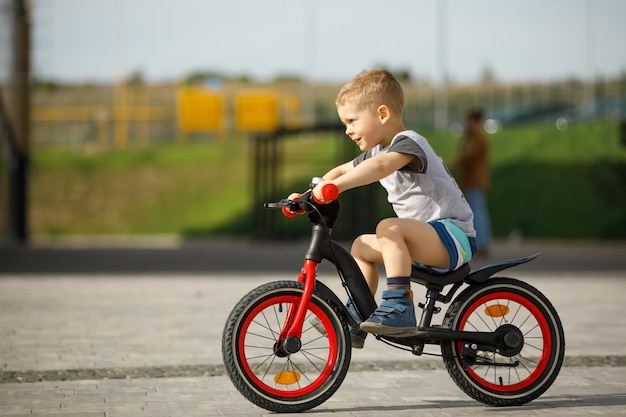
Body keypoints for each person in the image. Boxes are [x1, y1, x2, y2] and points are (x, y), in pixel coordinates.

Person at [292, 69, 476, 348]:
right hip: (425, 239)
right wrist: (310, 193)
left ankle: (400, 307)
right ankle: (357, 316)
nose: (347, 130)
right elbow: (342, 169)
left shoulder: (409, 143)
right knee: (362, 246)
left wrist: (337, 188)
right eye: (345, 123)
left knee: (387, 227)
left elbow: (378, 168)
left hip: (453, 236)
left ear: (382, 114)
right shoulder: (378, 150)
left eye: (352, 120)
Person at [451, 108, 492, 256]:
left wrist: (451, 165)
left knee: (477, 212)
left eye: (468, 121)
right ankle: (480, 242)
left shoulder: (479, 138)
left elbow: (468, 157)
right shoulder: (471, 137)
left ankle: (482, 243)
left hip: (475, 181)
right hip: (470, 181)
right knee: (475, 211)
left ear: (474, 122)